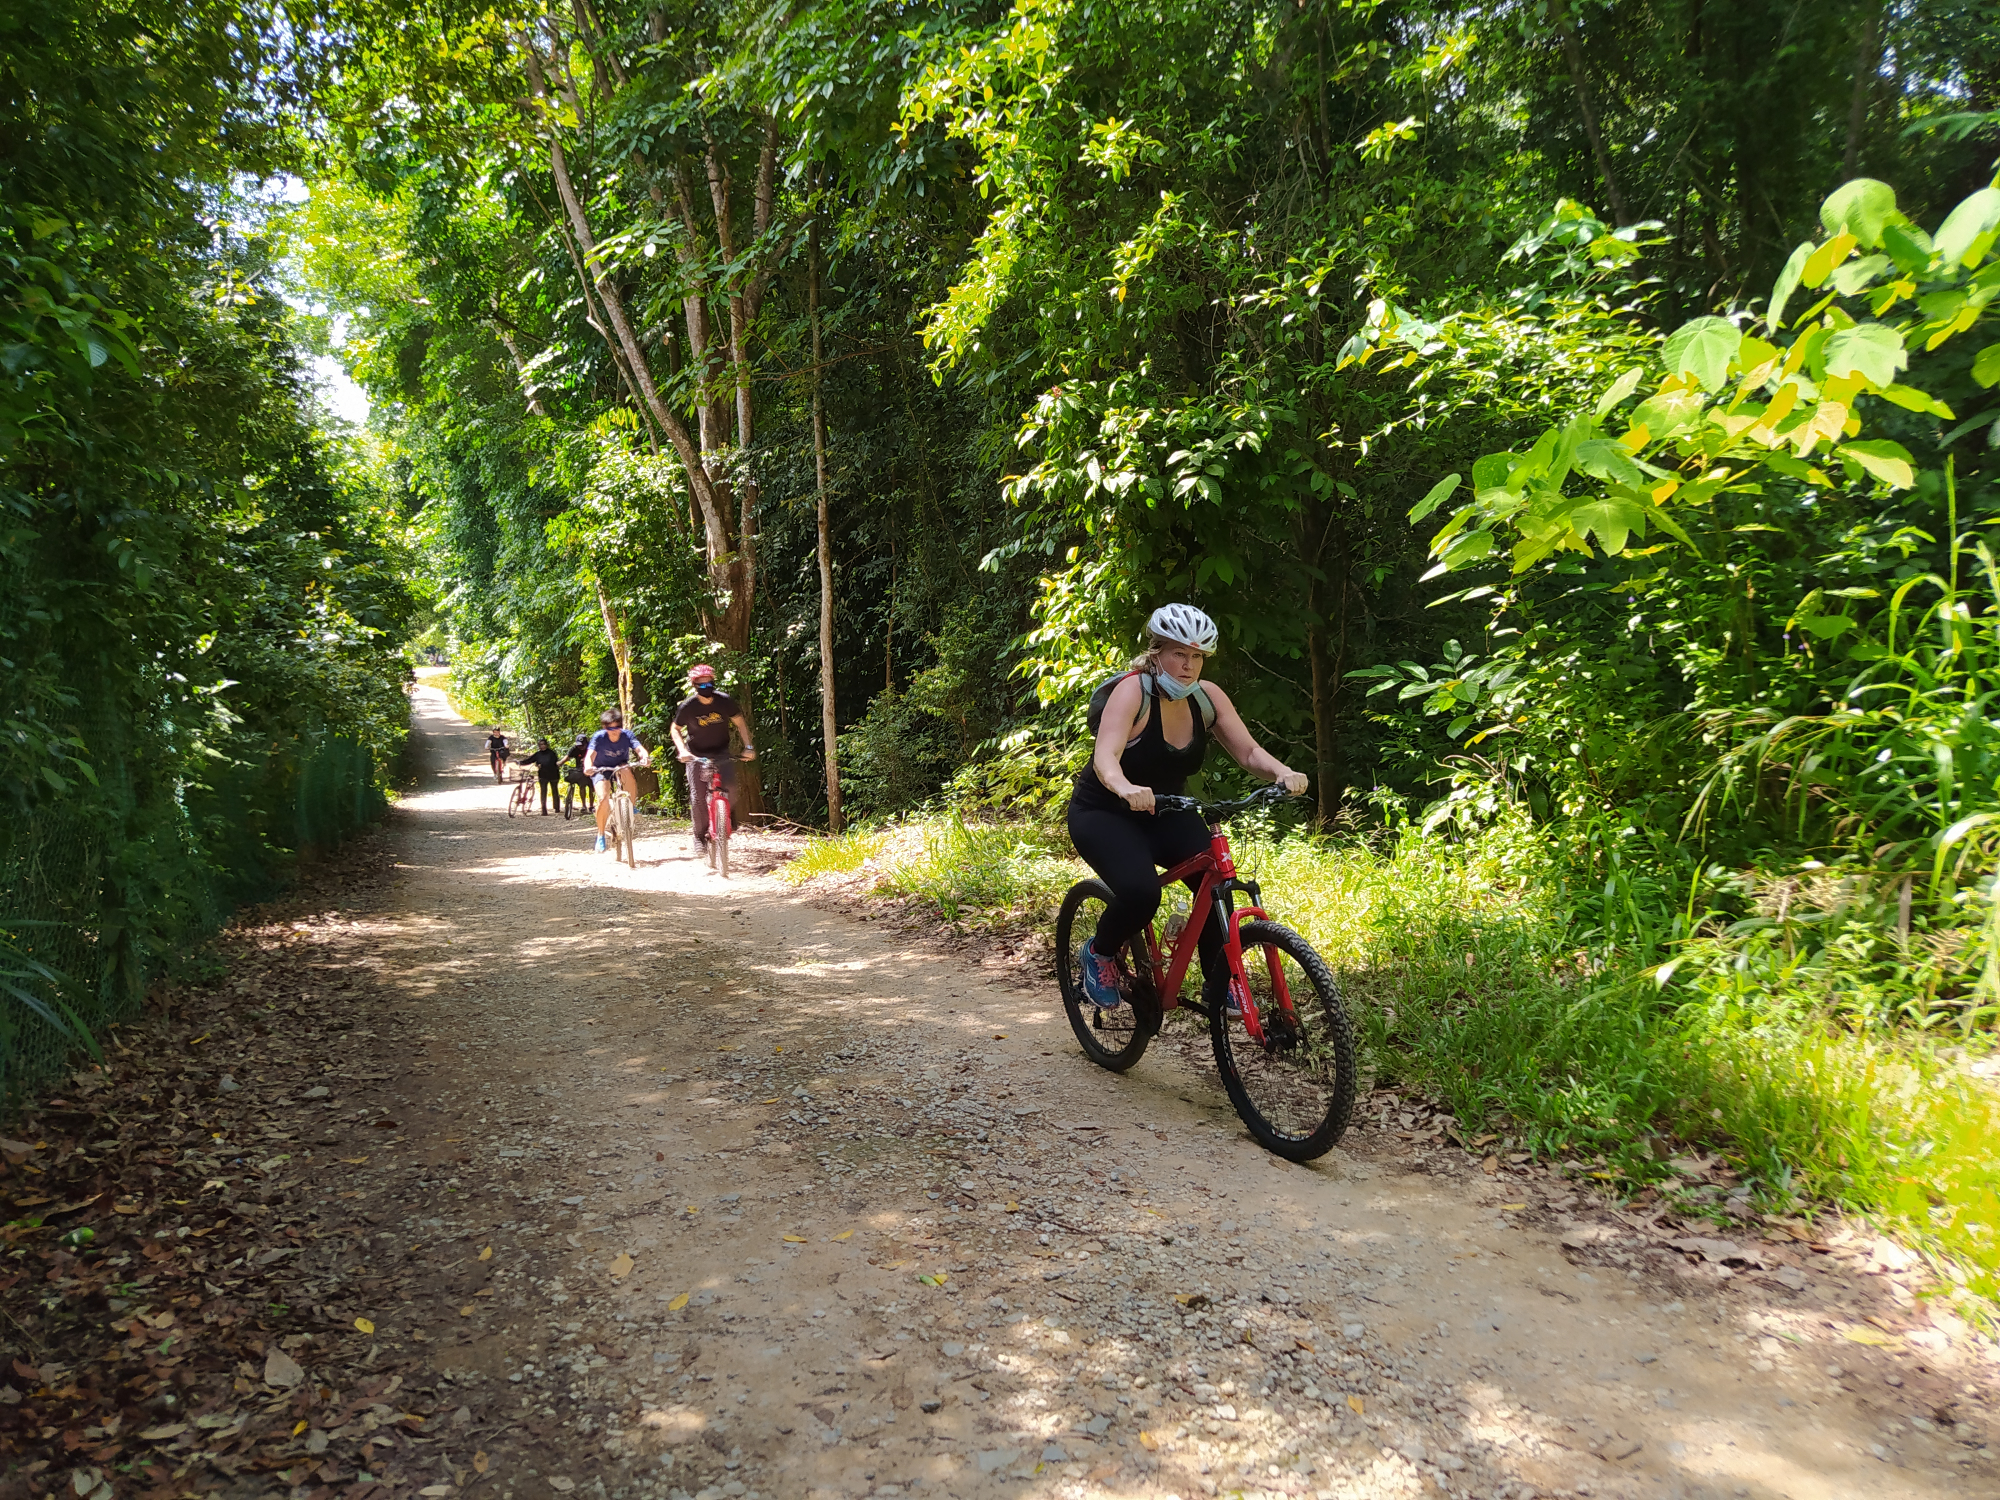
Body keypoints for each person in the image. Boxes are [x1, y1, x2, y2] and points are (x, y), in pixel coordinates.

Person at [1065, 604, 1308, 1013]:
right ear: (1157, 652)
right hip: (1105, 811)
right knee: (1141, 894)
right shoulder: (1133, 691)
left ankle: (1220, 979)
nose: (1188, 665)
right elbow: (1106, 757)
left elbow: (1247, 751)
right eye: (1179, 653)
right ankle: (1099, 954)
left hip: (1167, 809)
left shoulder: (1207, 697)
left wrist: (1282, 772)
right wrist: (1125, 787)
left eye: (1197, 656)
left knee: (1216, 885)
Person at [668, 664, 755, 853]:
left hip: (721, 751)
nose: (706, 686)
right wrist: (682, 750)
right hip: (696, 754)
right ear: (694, 685)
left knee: (731, 787)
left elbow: (740, 723)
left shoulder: (724, 701)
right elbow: (675, 729)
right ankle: (699, 837)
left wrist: (748, 747)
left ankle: (724, 815)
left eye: (709, 682)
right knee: (698, 797)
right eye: (701, 683)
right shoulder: (688, 706)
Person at [583, 709, 651, 852]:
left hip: (620, 765)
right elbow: (590, 755)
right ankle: (601, 834)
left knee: (627, 771)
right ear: (605, 728)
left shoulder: (627, 735)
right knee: (603, 799)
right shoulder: (599, 737)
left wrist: (645, 757)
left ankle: (630, 807)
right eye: (610, 728)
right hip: (602, 768)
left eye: (617, 728)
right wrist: (588, 767)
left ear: (621, 726)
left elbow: (639, 749)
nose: (614, 731)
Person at [514, 737, 563, 815]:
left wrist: (540, 765)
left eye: (544, 744)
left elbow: (554, 763)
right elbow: (529, 760)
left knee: (555, 791)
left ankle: (557, 807)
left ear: (546, 745)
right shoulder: (538, 754)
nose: (542, 746)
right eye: (540, 744)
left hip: (553, 774)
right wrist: (520, 762)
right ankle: (544, 810)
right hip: (543, 775)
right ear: (539, 746)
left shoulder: (552, 753)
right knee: (543, 792)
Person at [561, 734, 594, 815]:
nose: (580, 747)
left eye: (582, 745)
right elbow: (567, 757)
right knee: (582, 786)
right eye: (579, 745)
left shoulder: (592, 747)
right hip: (580, 770)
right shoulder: (575, 748)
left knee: (591, 788)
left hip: (592, 769)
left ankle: (591, 805)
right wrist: (559, 763)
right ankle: (583, 805)